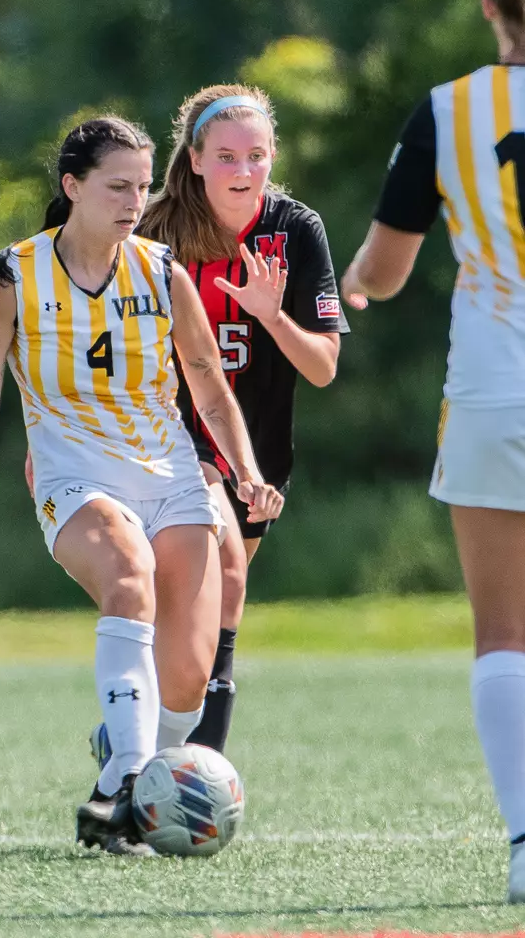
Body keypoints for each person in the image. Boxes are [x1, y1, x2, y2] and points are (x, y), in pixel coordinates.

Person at [0, 115, 282, 856]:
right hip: (76, 477)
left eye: (143, 186)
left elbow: (211, 391)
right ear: (72, 186)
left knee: (186, 684)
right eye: (117, 186)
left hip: (171, 476)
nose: (135, 201)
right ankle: (126, 780)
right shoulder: (12, 278)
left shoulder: (163, 272)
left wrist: (247, 475)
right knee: (130, 581)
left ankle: (122, 742)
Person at [340, 0, 525, 903]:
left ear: (491, 5)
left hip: (496, 392)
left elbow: (385, 265)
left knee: (505, 633)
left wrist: (356, 287)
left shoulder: (450, 109)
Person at [137, 83, 350, 754]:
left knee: (217, 609)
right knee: (221, 575)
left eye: (256, 156)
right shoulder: (150, 232)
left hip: (256, 450)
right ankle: (187, 768)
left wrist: (269, 313)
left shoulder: (294, 231)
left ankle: (145, 736)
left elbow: (322, 367)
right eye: (226, 156)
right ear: (194, 159)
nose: (244, 171)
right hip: (170, 441)